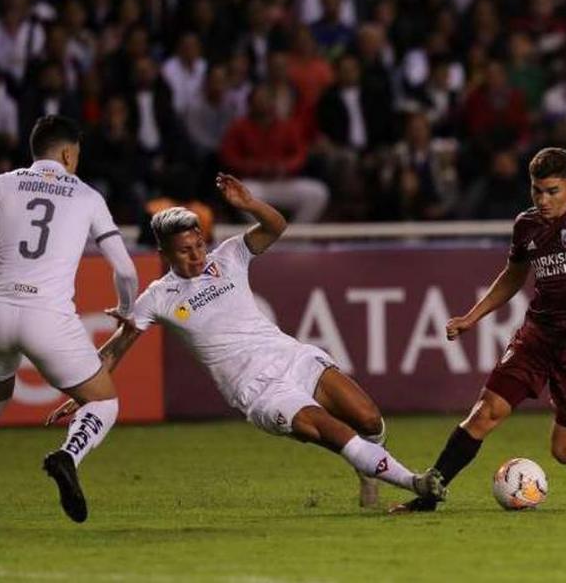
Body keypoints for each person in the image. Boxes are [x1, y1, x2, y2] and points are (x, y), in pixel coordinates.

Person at [46, 174, 445, 508]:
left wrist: (250, 202)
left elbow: (276, 226)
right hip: (258, 390)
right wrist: (85, 390)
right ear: (164, 252)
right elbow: (117, 348)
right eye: (185, 251)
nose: (197, 255)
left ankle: (368, 471)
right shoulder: (157, 298)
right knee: (331, 432)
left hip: (292, 357)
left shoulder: (229, 256)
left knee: (369, 419)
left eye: (199, 244)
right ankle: (415, 483)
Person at [392, 147, 566, 513]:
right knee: (486, 411)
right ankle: (430, 493)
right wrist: (472, 316)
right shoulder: (526, 225)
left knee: (564, 452)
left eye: (552, 191)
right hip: (538, 334)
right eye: (537, 191)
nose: (543, 200)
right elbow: (513, 276)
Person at [0, 115, 139, 524]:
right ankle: (67, 456)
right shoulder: (87, 196)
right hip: (48, 316)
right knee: (104, 401)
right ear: (67, 153)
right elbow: (127, 270)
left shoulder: (0, 184)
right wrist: (126, 310)